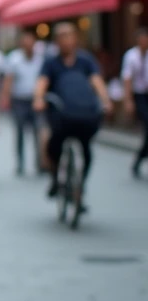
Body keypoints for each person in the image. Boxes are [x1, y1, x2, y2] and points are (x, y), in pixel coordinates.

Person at [34, 22, 112, 207]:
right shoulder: (51, 63)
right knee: (53, 146)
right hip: (61, 114)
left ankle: (79, 188)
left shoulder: (85, 60)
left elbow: (97, 81)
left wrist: (105, 100)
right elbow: (42, 83)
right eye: (62, 36)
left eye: (69, 35)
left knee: (86, 152)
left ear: (75, 38)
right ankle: (55, 177)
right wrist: (38, 98)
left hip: (83, 114)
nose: (66, 40)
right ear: (56, 41)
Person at [2, 30, 45, 176]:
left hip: (36, 99)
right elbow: (9, 79)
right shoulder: (14, 58)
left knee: (38, 131)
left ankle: (39, 163)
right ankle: (20, 163)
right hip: (19, 100)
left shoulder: (40, 58)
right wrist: (6, 98)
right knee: (20, 131)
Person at [121, 26, 148, 178]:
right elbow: (127, 78)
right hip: (139, 94)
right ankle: (139, 159)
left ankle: (139, 158)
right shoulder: (131, 56)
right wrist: (128, 100)